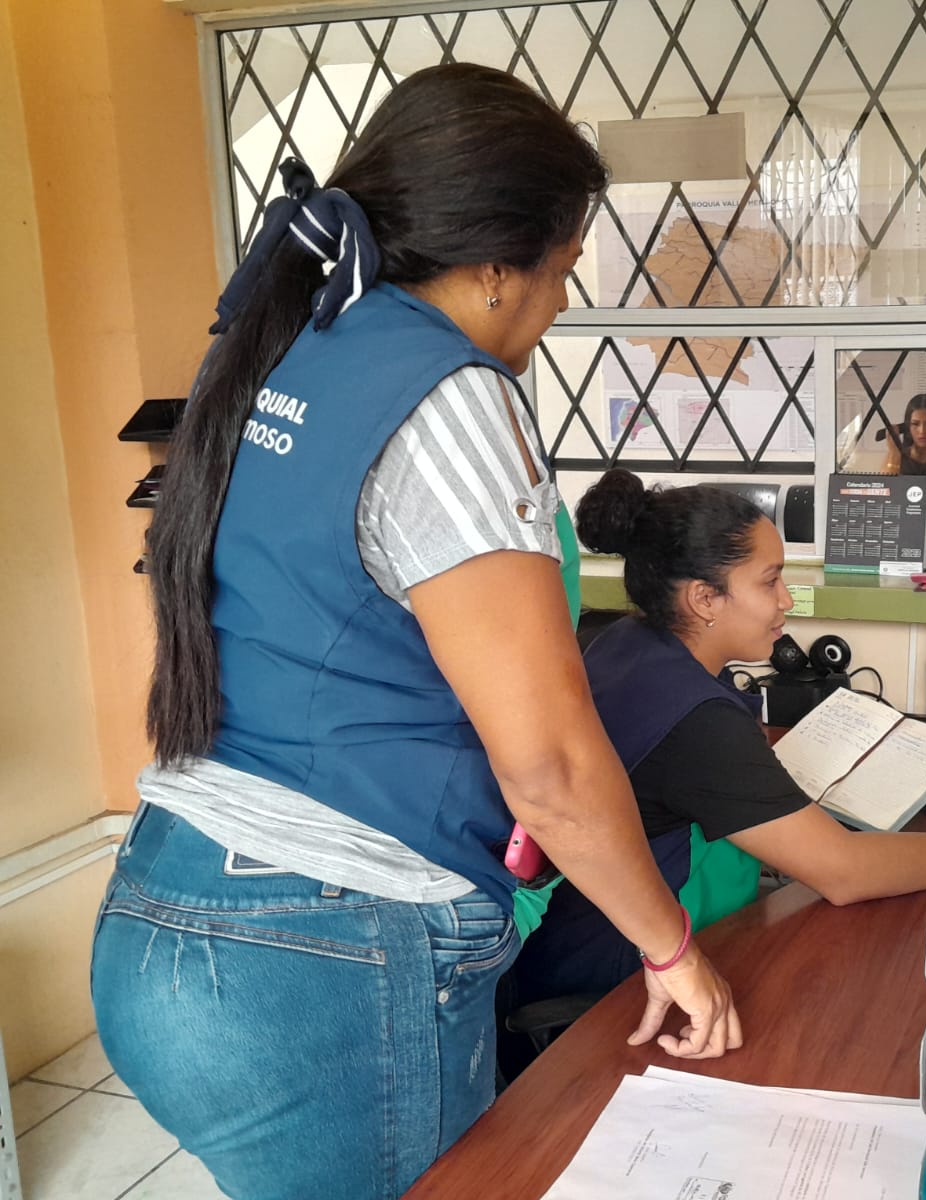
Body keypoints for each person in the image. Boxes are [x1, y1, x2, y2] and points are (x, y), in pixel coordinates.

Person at [90, 65, 739, 1200]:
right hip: (320, 956)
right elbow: (548, 767)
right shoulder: (450, 395)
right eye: (563, 269)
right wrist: (671, 948)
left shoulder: (290, 351)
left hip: (163, 908)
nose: (562, 303)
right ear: (494, 265)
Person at [498, 469, 926, 1062]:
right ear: (704, 599)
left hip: (570, 942)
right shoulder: (694, 719)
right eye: (770, 580)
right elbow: (843, 872)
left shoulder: (629, 641)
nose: (786, 600)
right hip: (615, 985)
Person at [882, 392, 926, 475]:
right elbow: (886, 482)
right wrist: (894, 453)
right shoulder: (898, 455)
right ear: (908, 426)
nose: (922, 431)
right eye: (915, 424)